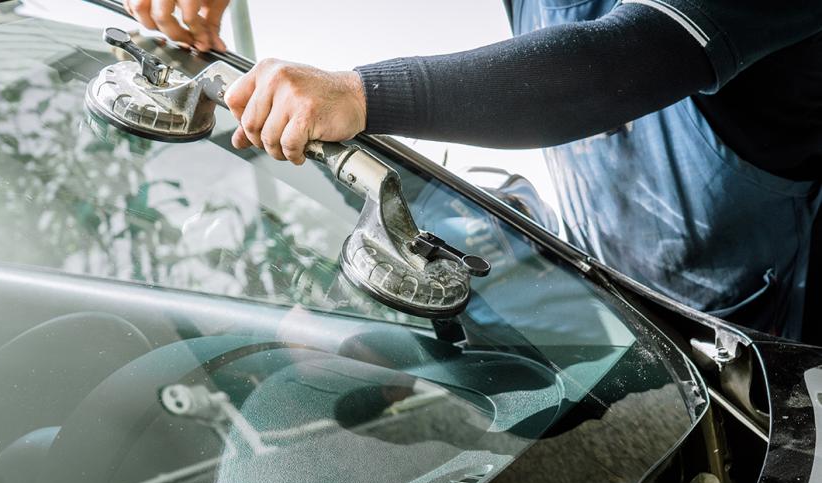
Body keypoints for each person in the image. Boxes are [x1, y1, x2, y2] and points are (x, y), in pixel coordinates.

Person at [123, 0, 821, 341]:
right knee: (319, 346)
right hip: (573, 235)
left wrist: (362, 94)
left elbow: (616, 64)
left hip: (728, 310)